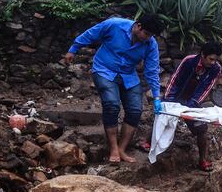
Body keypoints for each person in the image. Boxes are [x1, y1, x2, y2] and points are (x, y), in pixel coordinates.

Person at [64, 14, 164, 164]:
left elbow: (152, 71)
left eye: (151, 36)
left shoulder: (150, 44)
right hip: (104, 69)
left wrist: (156, 96)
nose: (148, 38)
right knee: (111, 104)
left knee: (135, 110)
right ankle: (113, 148)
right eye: (147, 34)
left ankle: (122, 148)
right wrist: (73, 49)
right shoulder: (114, 25)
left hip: (128, 75)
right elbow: (91, 34)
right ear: (138, 26)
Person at [158, 41, 222, 171]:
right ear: (203, 55)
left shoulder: (216, 68)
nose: (213, 62)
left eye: (215, 60)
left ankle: (202, 160)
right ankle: (149, 142)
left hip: (193, 102)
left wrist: (193, 104)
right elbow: (175, 79)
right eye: (211, 59)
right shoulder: (189, 61)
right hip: (176, 97)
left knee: (201, 129)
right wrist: (169, 99)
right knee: (163, 118)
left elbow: (206, 88)